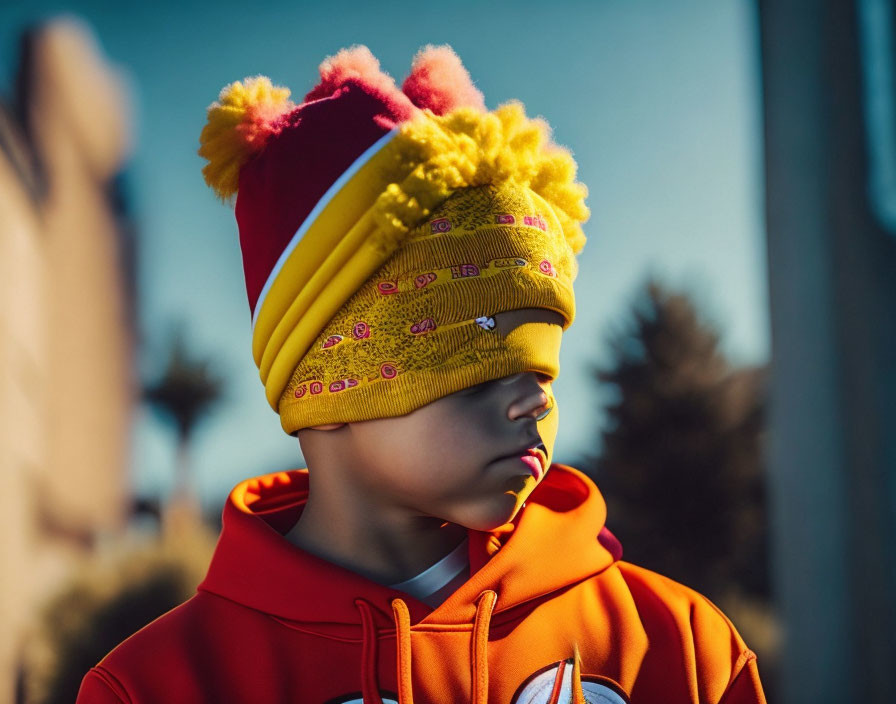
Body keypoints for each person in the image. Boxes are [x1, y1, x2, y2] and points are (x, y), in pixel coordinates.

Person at [76, 44, 767, 703]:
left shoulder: (678, 649)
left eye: (545, 374)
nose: (532, 402)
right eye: (479, 370)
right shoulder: (160, 687)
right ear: (332, 384)